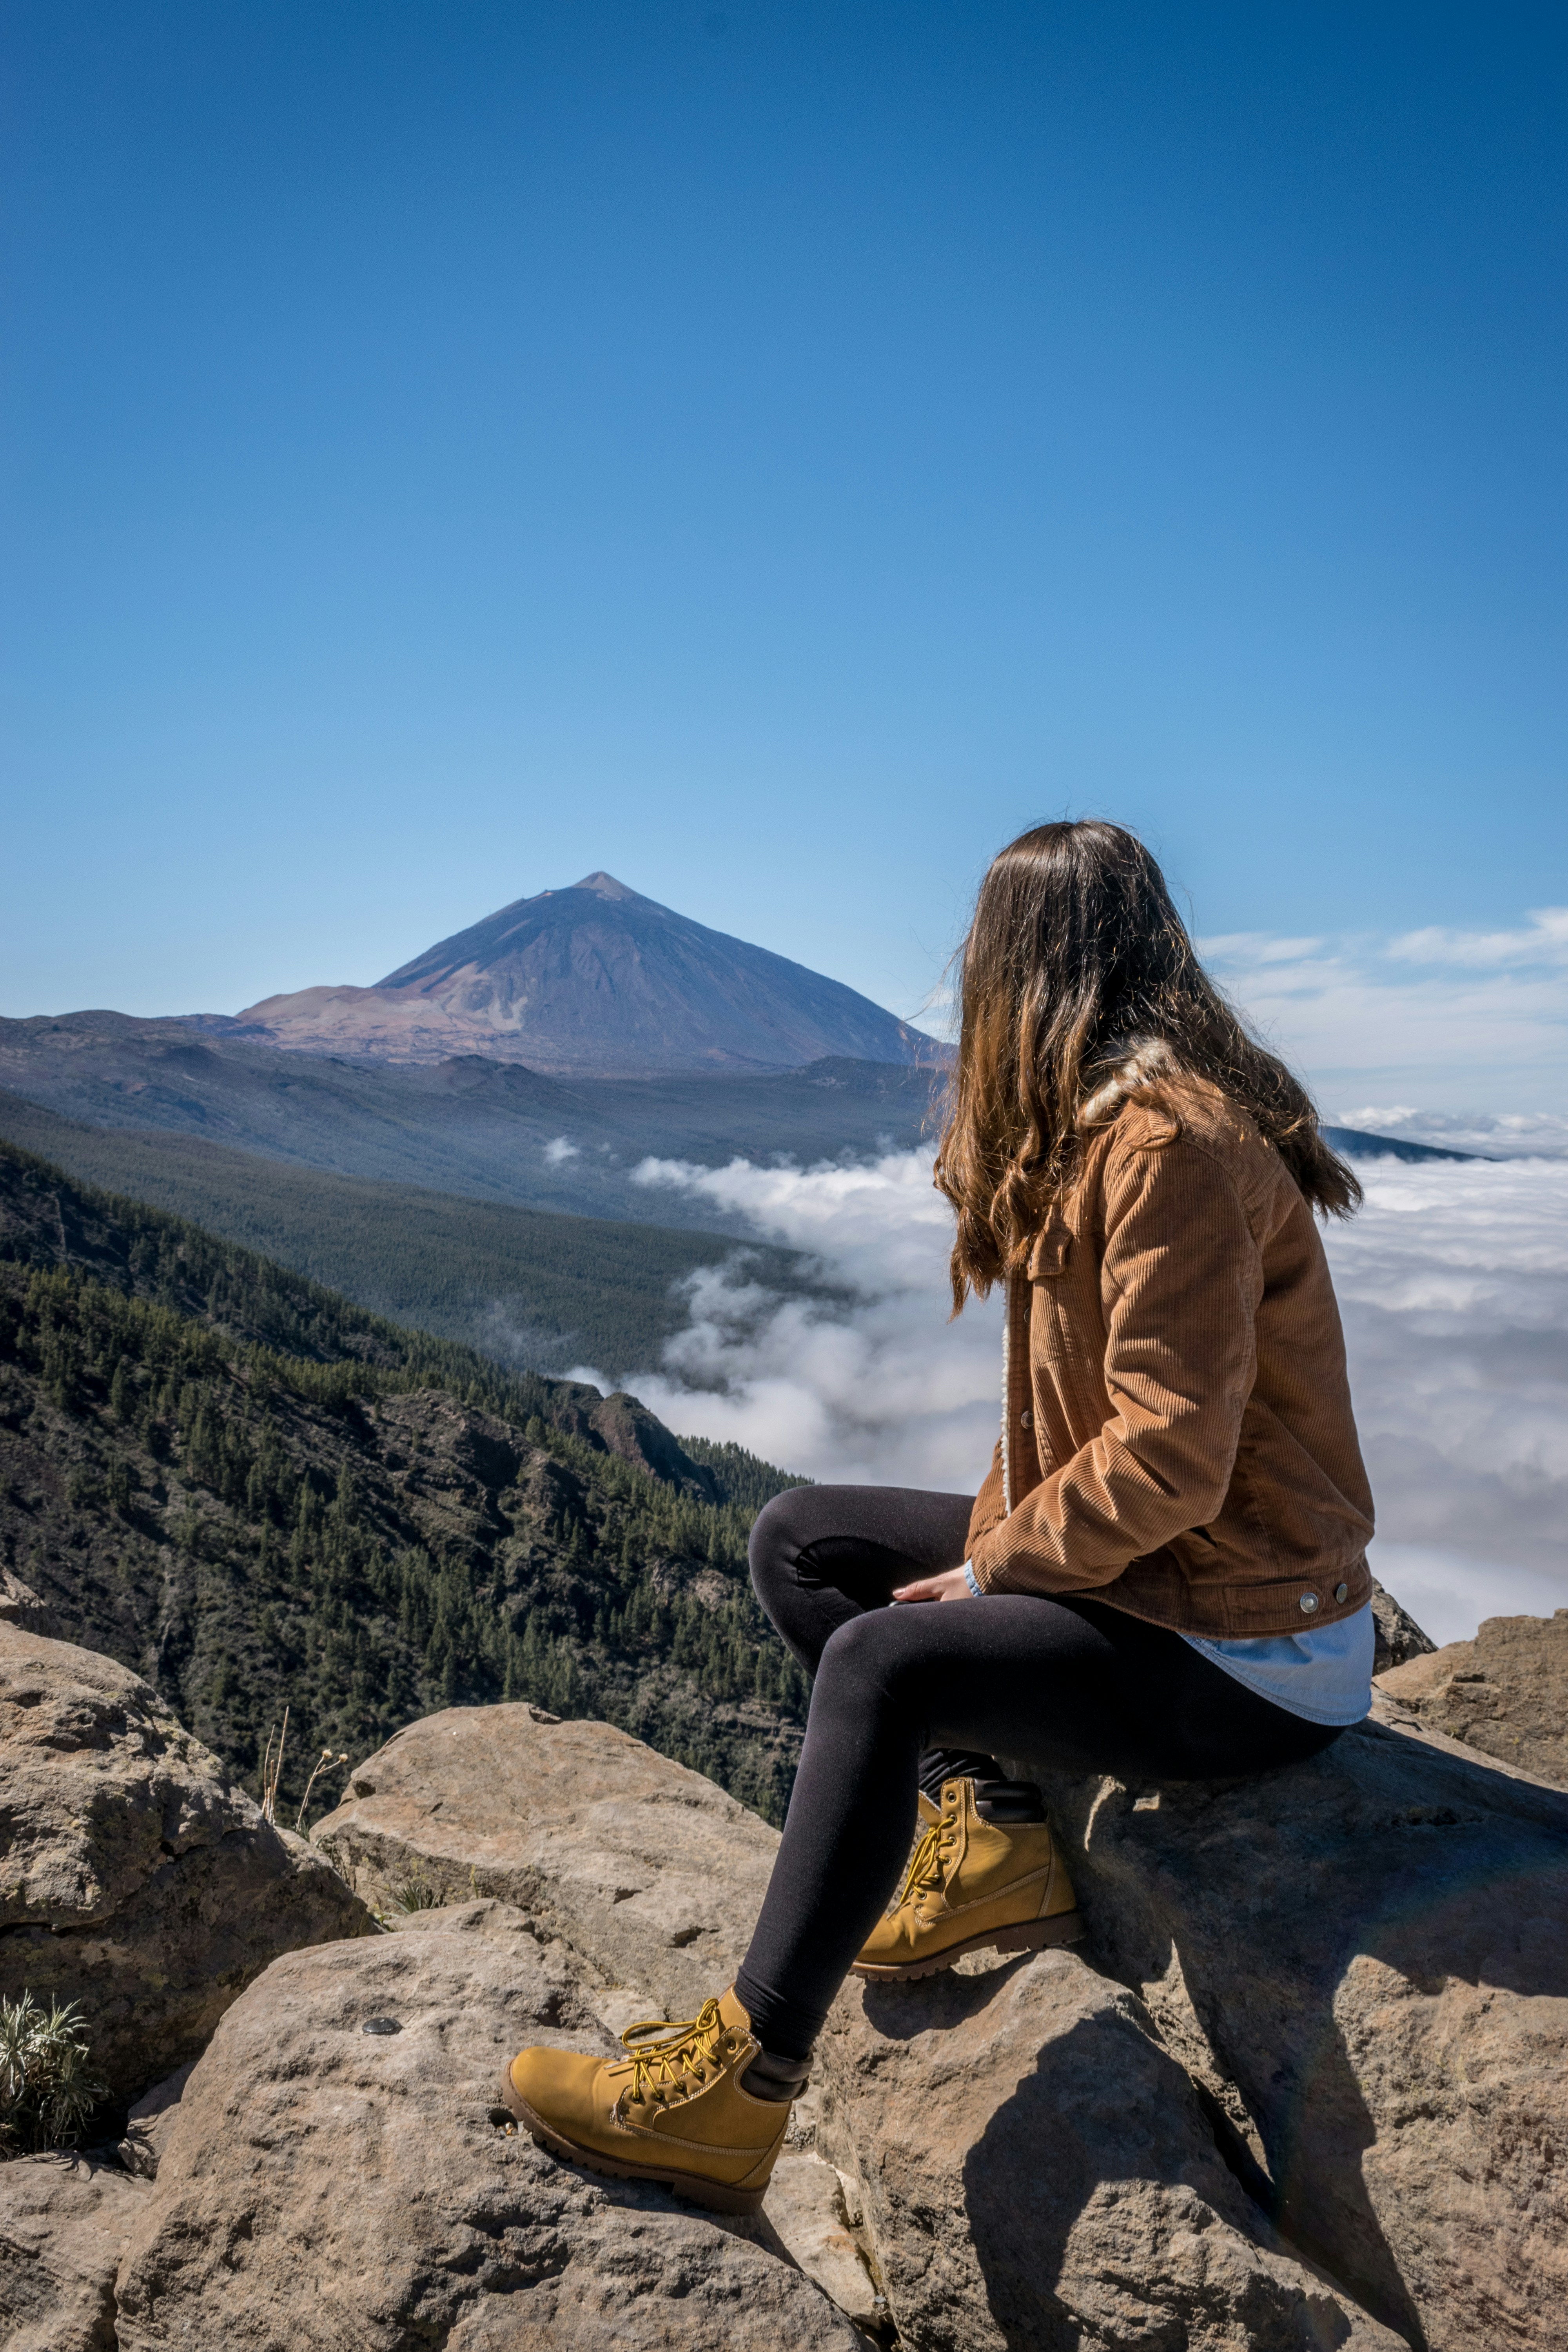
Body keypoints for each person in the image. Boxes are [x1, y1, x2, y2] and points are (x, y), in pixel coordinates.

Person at [501, 818, 1376, 2213]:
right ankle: (999, 1838)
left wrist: (988, 1573)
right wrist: (994, 1543)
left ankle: (741, 2086)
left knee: (881, 1660)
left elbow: (1169, 1461)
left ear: (1030, 967)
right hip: (1163, 1585)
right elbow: (1054, 1431)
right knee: (802, 1542)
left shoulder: (1172, 1149)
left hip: (1251, 1647)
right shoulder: (1094, 1130)